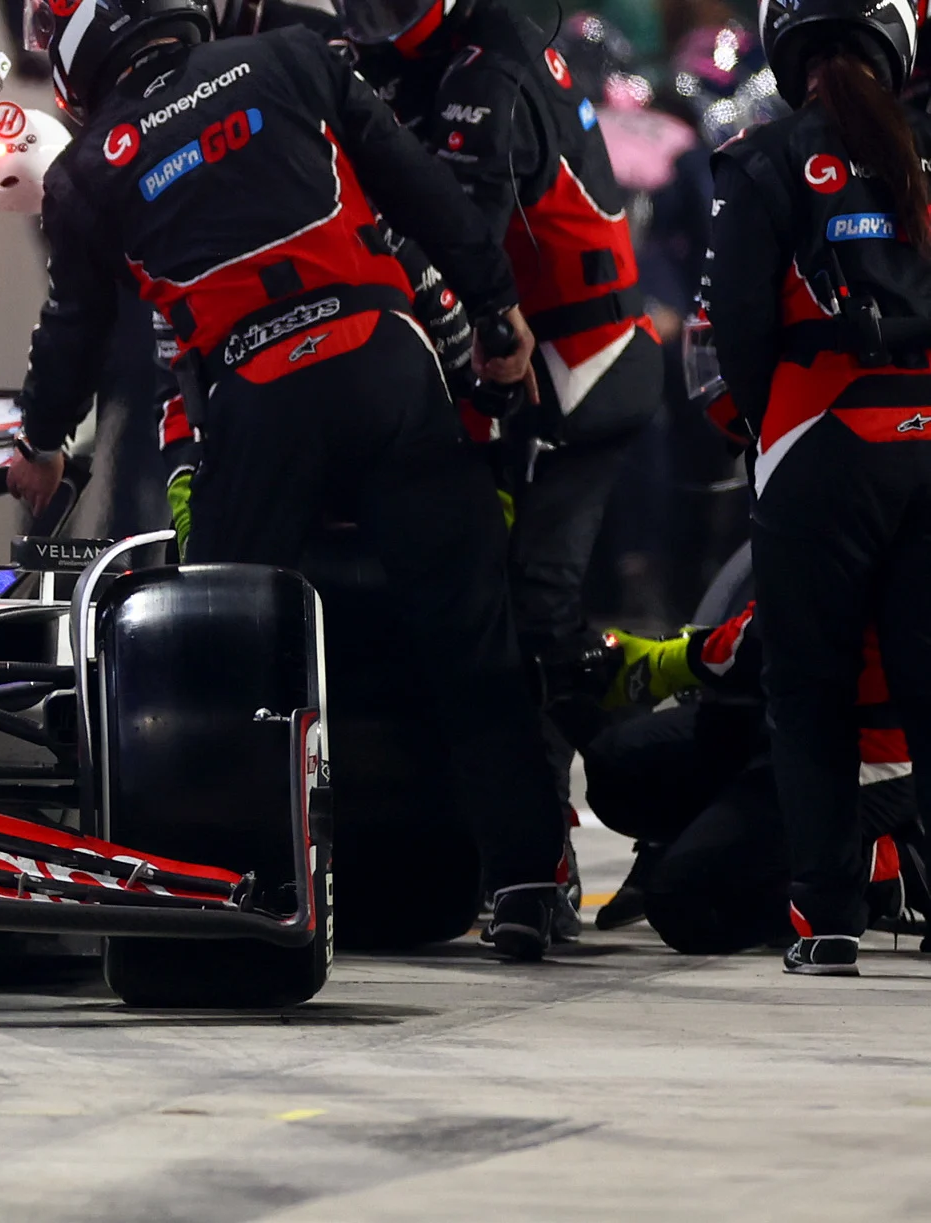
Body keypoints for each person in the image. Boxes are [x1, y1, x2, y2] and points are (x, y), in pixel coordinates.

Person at [8, 0, 573, 958]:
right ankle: (523, 882)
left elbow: (74, 331)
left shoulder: (87, 170)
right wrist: (495, 309)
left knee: (221, 661)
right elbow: (419, 187)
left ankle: (228, 886)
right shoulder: (292, 57)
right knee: (473, 632)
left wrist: (41, 439)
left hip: (257, 395)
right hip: (383, 357)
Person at [335, 0, 666, 792]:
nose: (377, 19)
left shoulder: (489, 76)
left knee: (532, 611)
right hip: (537, 354)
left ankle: (640, 784)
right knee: (504, 602)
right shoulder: (452, 52)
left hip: (575, 362)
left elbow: (453, 245)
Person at [700, 0, 931, 976]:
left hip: (818, 436)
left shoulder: (759, 158)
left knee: (808, 694)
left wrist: (775, 435)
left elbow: (737, 332)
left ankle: (826, 918)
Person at [583, 608, 924, 958]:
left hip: (860, 756)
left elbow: (773, 629)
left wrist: (666, 660)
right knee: (617, 765)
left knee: (685, 908)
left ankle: (874, 872)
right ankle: (735, 849)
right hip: (787, 723)